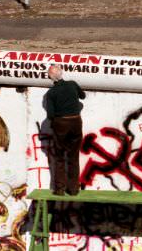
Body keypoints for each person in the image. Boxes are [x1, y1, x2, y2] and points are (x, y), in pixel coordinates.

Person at [45, 64, 85, 195]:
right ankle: (73, 189)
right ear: (61, 73)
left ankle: (60, 189)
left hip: (61, 123)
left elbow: (50, 115)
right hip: (76, 122)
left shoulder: (51, 93)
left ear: (50, 78)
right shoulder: (73, 84)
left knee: (60, 157)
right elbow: (82, 96)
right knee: (74, 156)